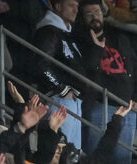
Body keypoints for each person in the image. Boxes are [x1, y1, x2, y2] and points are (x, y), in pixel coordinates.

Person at [76, 0, 137, 164]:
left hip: (126, 107)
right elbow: (87, 69)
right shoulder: (79, 39)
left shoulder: (119, 39)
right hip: (98, 105)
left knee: (121, 162)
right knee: (95, 158)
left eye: (97, 12)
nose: (94, 17)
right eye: (89, 14)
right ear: (82, 18)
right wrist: (96, 49)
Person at [33, 0, 86, 148]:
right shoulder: (48, 31)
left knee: (71, 156)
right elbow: (40, 65)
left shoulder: (67, 34)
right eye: (71, 5)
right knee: (57, 152)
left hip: (73, 101)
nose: (75, 10)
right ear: (57, 6)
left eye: (77, 6)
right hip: (58, 100)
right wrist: (61, 88)